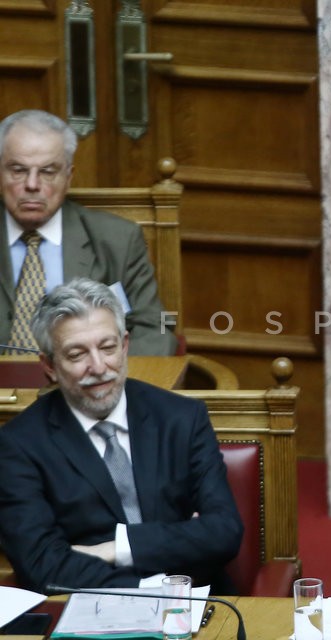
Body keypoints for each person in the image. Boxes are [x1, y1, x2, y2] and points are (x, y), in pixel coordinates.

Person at [0, 278, 242, 593]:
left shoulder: (181, 418)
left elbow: (224, 532)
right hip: (92, 613)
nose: (98, 367)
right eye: (77, 355)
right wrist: (154, 584)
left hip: (204, 604)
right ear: (49, 366)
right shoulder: (19, 445)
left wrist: (117, 548)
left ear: (125, 345)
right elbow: (42, 566)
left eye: (107, 347)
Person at [0, 109, 177, 355]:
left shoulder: (118, 240)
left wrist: (105, 381)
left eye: (48, 172)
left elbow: (156, 328)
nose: (32, 184)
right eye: (18, 170)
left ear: (68, 177)